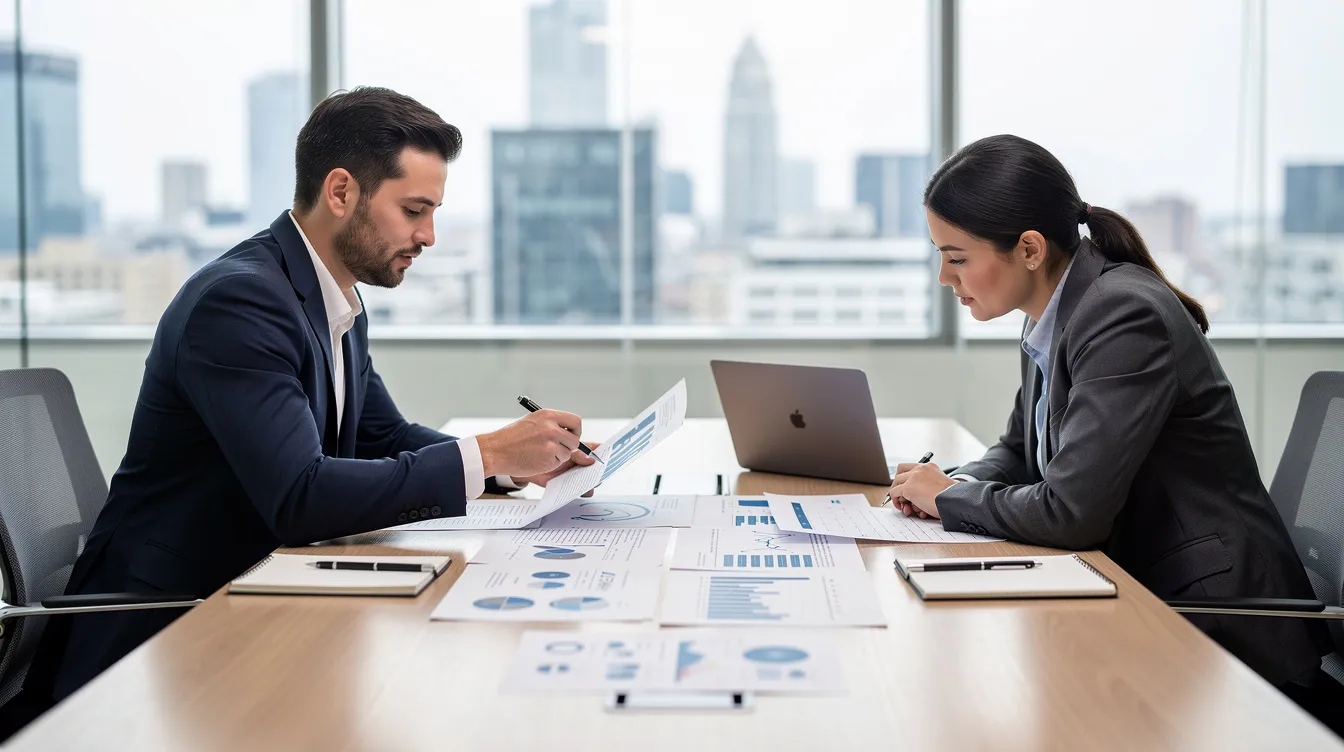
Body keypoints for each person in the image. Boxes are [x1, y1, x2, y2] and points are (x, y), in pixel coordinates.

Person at [32, 87, 598, 702]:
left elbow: (382, 436)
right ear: (340, 192)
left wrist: (517, 467)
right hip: (163, 633)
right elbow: (300, 496)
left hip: (254, 594)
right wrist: (486, 455)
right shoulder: (240, 303)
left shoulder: (331, 296)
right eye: (413, 211)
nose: (430, 236)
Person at [888, 135, 1331, 696]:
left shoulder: (1121, 315)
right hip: (1143, 587)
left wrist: (947, 498)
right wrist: (957, 482)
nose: (944, 278)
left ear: (1029, 249)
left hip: (1217, 623)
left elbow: (1071, 513)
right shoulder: (1052, 311)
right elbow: (1021, 450)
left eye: (957, 259)